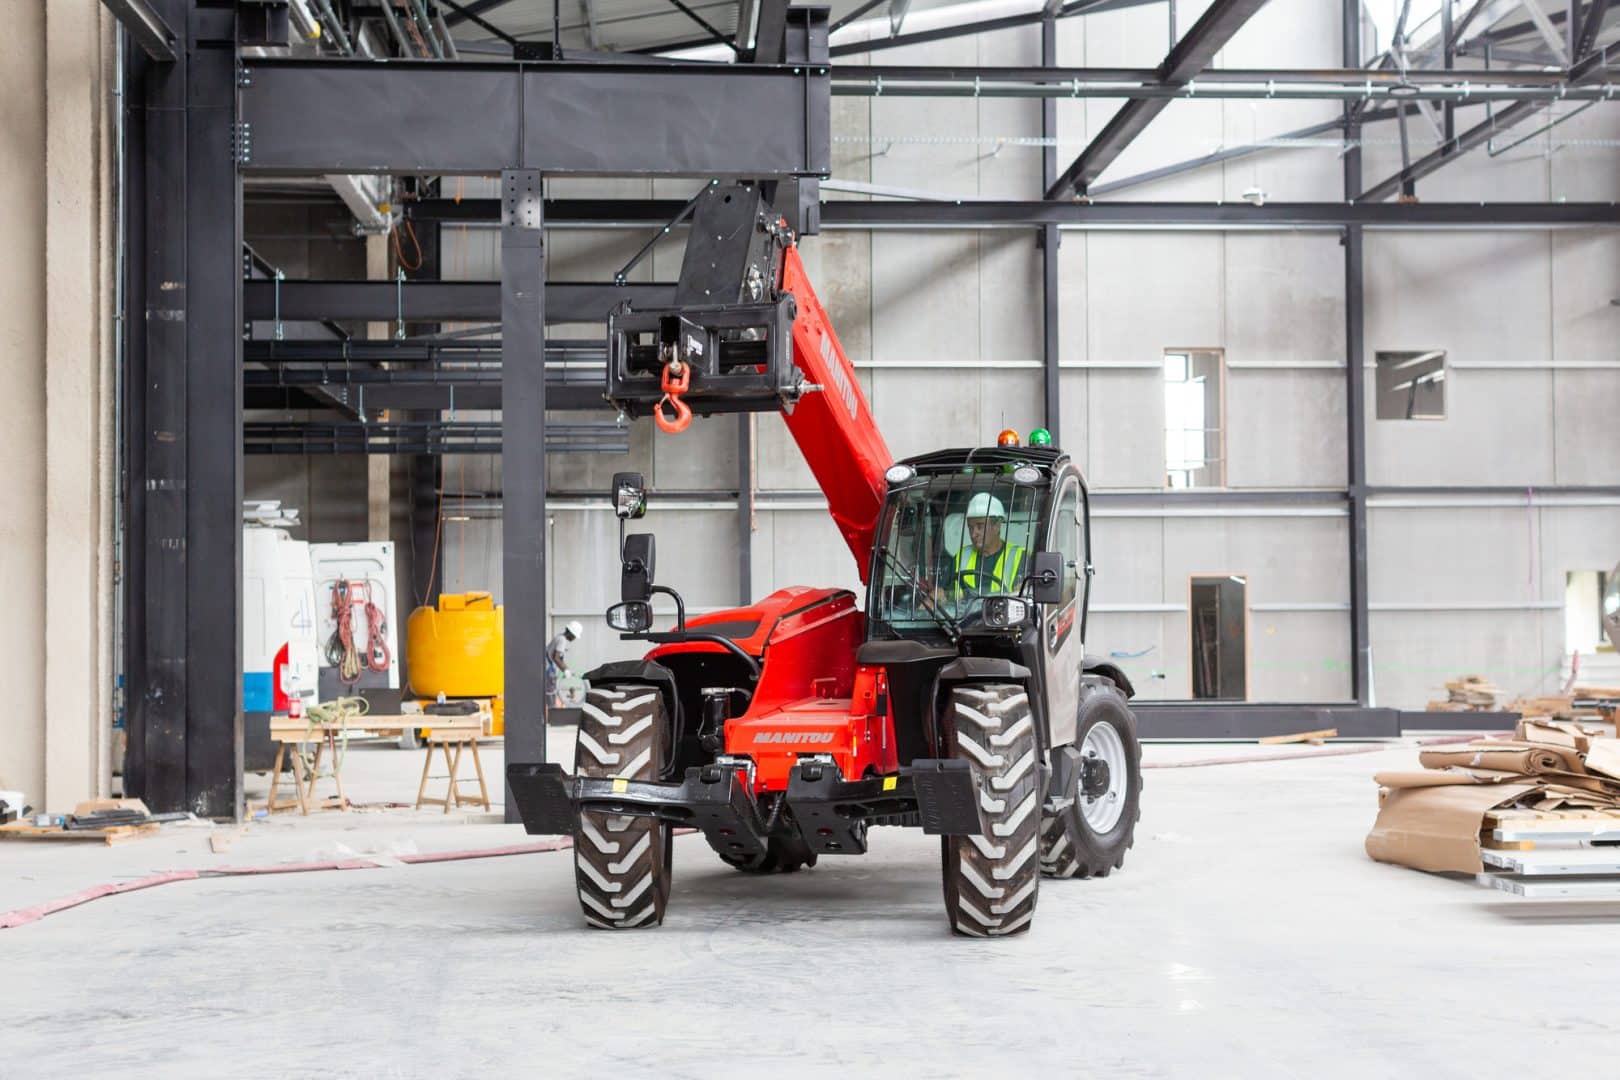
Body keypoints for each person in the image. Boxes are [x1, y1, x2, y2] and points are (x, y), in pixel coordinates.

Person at [946, 492, 1026, 602]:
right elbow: (942, 594)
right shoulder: (961, 557)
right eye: (970, 527)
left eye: (980, 526)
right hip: (963, 618)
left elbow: (1023, 597)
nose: (974, 534)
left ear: (997, 526)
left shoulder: (1020, 557)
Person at [545, 620, 584, 707]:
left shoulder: (560, 637)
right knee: (550, 693)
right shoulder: (562, 640)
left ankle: (550, 710)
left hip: (547, 667)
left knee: (550, 692)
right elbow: (556, 658)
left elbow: (559, 659)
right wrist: (566, 670)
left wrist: (568, 669)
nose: (574, 638)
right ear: (570, 633)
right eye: (574, 636)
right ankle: (551, 712)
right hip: (547, 669)